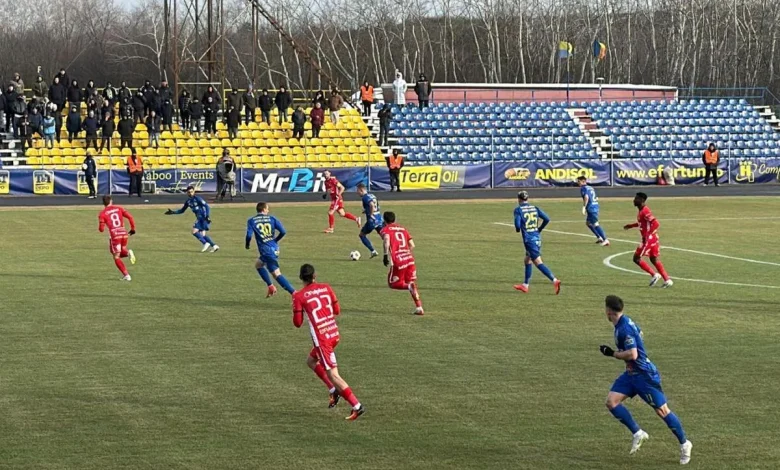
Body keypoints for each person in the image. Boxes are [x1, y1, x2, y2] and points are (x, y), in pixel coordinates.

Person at [599, 295, 692, 464]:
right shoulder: (625, 322)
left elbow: (632, 354)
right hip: (631, 374)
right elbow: (640, 333)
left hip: (645, 376)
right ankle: (638, 433)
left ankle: (685, 444)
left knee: (662, 411)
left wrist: (612, 353)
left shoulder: (624, 328)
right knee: (611, 402)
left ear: (609, 311)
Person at [292, 263, 365, 421]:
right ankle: (333, 390)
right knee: (311, 361)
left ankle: (356, 406)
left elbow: (297, 323)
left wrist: (297, 307)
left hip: (322, 340)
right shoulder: (326, 287)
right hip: (333, 333)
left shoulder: (299, 296)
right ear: (314, 276)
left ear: (300, 278)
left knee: (333, 374)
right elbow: (337, 310)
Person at [513, 191, 561, 294]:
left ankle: (554, 280)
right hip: (537, 237)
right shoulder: (535, 208)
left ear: (519, 199)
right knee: (527, 260)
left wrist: (518, 229)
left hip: (529, 240)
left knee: (538, 262)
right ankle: (525, 285)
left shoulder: (518, 210)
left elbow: (517, 225)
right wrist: (539, 229)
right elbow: (547, 219)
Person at [245, 202, 296, 297]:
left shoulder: (251, 220)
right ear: (263, 209)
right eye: (267, 208)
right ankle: (270, 286)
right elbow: (283, 231)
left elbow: (248, 235)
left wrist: (247, 244)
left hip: (266, 250)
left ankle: (294, 294)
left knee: (276, 274)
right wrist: (275, 240)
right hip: (274, 248)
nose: (268, 210)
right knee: (258, 264)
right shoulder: (272, 218)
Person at [623, 192, 673, 288]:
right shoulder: (641, 211)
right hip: (653, 238)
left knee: (636, 258)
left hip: (648, 239)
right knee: (653, 259)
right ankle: (667, 280)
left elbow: (656, 223)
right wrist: (631, 225)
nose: (634, 200)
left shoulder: (645, 211)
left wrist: (647, 235)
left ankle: (654, 275)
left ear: (641, 200)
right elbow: (643, 223)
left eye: (636, 199)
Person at [381, 212, 424, 315]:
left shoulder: (386, 229)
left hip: (399, 261)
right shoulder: (402, 228)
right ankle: (419, 307)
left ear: (384, 220)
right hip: (409, 259)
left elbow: (386, 240)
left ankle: (408, 287)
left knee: (392, 283)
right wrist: (405, 253)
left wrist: (385, 255)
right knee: (411, 282)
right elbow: (412, 245)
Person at [165, 186, 219, 252]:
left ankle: (205, 243)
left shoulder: (198, 199)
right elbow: (182, 210)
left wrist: (207, 216)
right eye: (189, 192)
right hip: (200, 218)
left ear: (194, 192)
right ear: (187, 193)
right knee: (203, 235)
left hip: (203, 218)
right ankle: (214, 246)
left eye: (191, 192)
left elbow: (207, 206)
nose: (190, 193)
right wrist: (173, 212)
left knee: (194, 231)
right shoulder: (188, 201)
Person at [98, 195, 137, 281]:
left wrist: (101, 225)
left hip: (115, 235)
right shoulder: (119, 208)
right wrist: (133, 229)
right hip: (123, 233)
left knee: (116, 257)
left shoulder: (102, 213)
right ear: (111, 201)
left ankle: (126, 275)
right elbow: (130, 217)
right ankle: (127, 253)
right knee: (118, 251)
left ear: (103, 203)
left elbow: (101, 229)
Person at [577, 176, 609, 246]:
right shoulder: (590, 187)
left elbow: (586, 197)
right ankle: (599, 237)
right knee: (588, 223)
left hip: (591, 208)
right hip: (595, 206)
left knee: (595, 224)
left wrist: (584, 207)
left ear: (583, 181)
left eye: (579, 181)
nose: (578, 183)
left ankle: (605, 240)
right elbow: (596, 197)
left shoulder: (583, 188)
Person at [356, 183, 384, 258]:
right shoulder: (372, 195)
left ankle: (373, 251)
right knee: (384, 237)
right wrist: (366, 211)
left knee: (362, 235)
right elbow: (376, 206)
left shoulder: (365, 197)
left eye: (358, 191)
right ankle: (394, 250)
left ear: (361, 190)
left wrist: (371, 214)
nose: (357, 193)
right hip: (379, 218)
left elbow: (371, 205)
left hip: (372, 221)